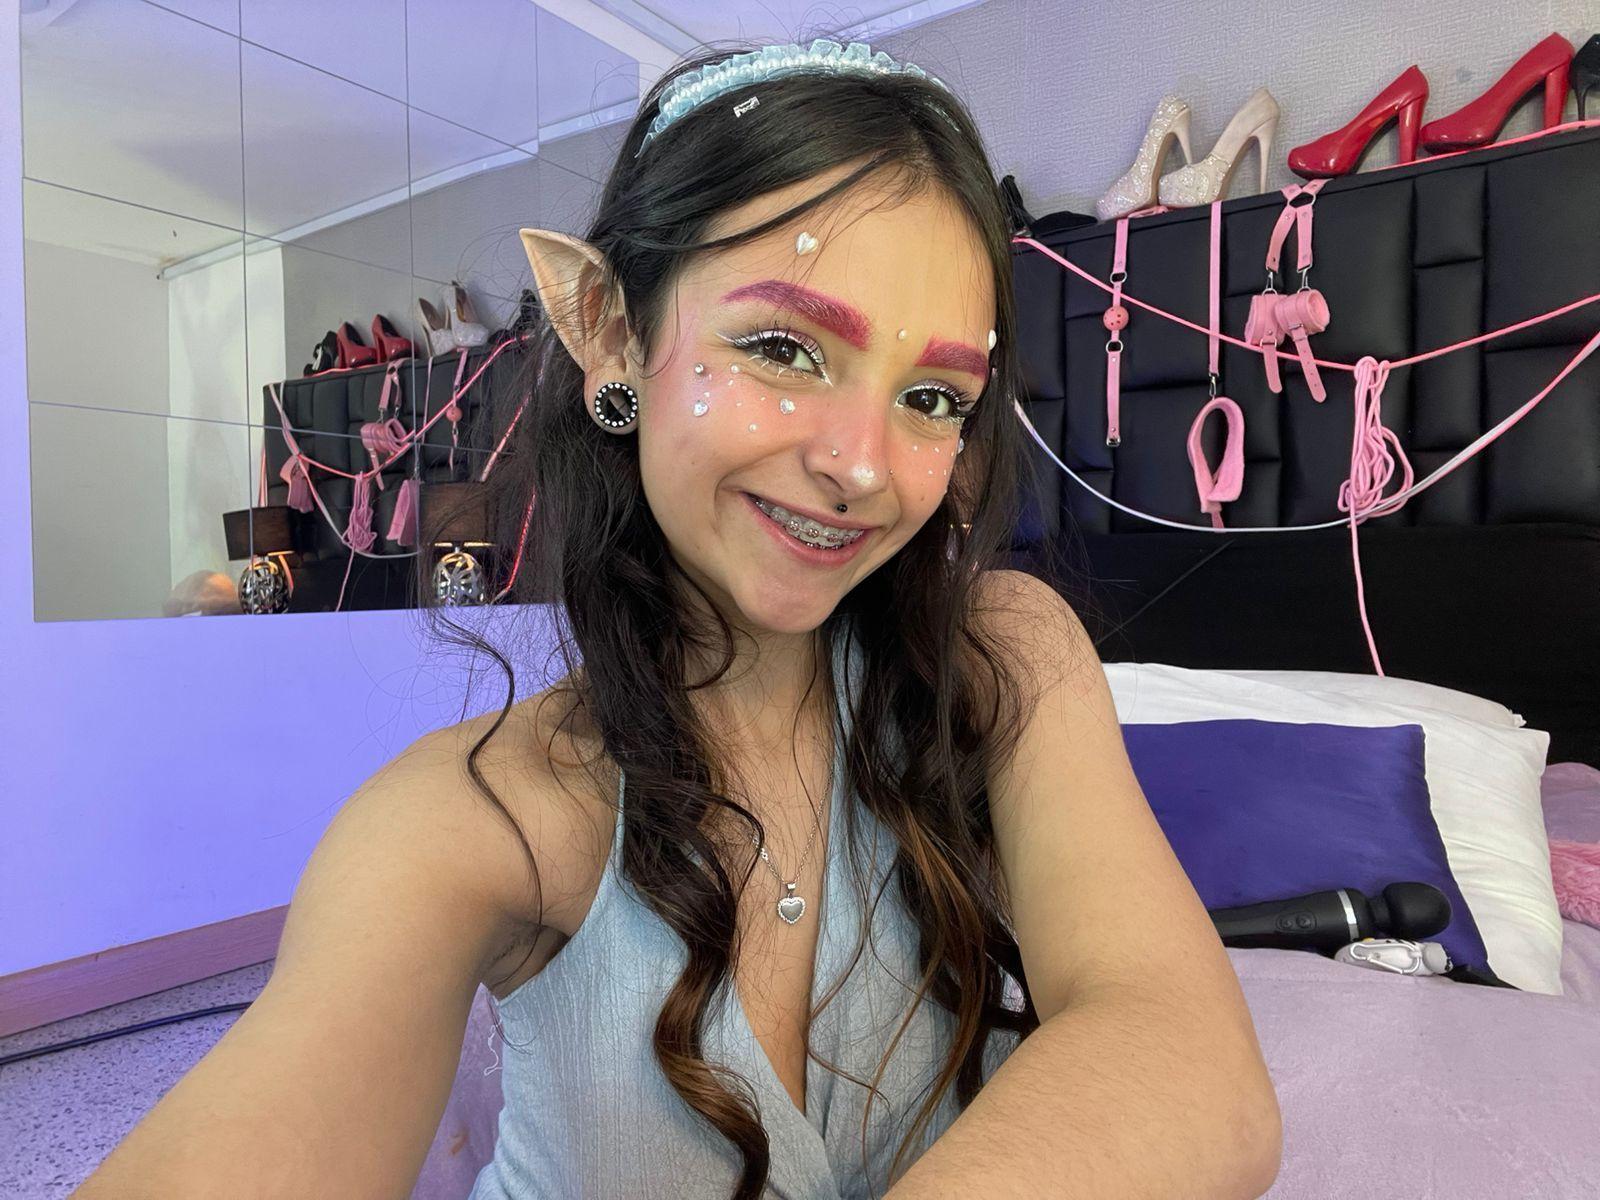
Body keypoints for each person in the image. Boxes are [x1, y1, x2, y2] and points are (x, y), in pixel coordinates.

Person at [72, 37, 1281, 1200]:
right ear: (611, 332)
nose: (862, 466)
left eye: (929, 397)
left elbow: (1185, 1055)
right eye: (784, 348)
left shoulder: (1005, 657)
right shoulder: (467, 820)